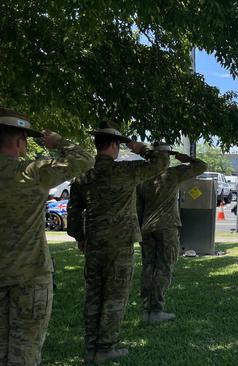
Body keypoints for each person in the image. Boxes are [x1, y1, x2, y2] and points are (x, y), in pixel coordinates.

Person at [0, 107, 94, 365]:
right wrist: (59, 142)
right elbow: (84, 159)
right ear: (20, 141)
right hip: (30, 276)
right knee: (26, 351)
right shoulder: (32, 172)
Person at [67, 122, 166, 364]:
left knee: (93, 295)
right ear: (114, 144)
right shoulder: (125, 172)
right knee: (115, 296)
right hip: (120, 245)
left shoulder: (84, 176)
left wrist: (80, 236)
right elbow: (161, 162)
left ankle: (91, 348)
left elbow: (73, 210)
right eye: (119, 145)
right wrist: (141, 148)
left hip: (94, 244)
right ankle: (106, 347)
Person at [137, 143, 207, 324]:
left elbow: (138, 208)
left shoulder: (142, 178)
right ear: (166, 157)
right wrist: (188, 159)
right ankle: (156, 310)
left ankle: (146, 308)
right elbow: (201, 167)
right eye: (168, 155)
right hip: (167, 227)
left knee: (148, 267)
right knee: (164, 267)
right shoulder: (173, 174)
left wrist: (139, 229)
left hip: (146, 228)